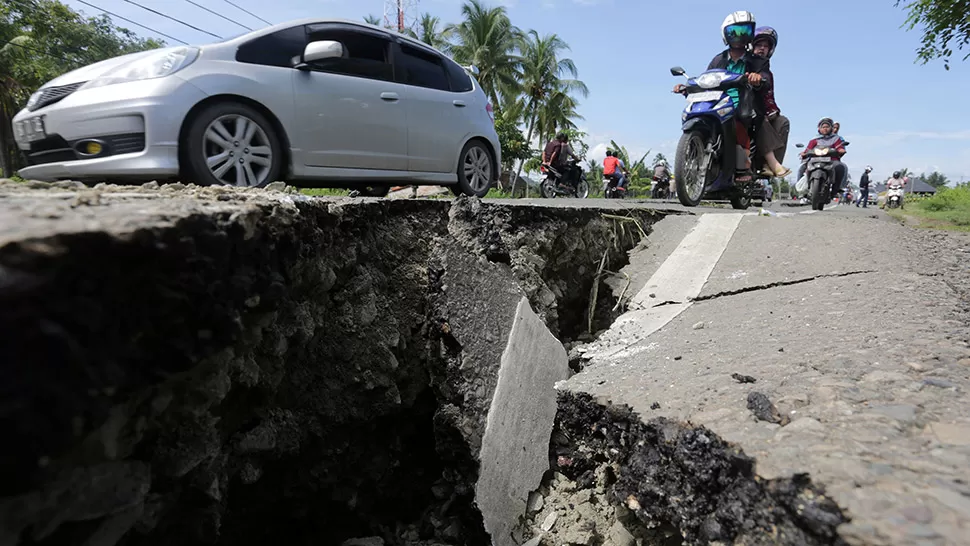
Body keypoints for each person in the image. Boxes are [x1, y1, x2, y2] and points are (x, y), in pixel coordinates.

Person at [673, 11, 768, 181]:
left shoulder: (756, 61)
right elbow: (707, 79)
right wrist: (687, 87)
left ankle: (743, 167)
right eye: (734, 32)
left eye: (744, 31)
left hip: (742, 101)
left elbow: (765, 77)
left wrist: (757, 78)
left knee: (738, 125)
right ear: (725, 35)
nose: (739, 36)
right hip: (717, 100)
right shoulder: (718, 59)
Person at [750, 26, 791, 178]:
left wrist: (759, 79)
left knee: (783, 122)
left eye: (766, 46)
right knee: (759, 119)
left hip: (764, 109)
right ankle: (772, 162)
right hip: (744, 106)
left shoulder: (764, 66)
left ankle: (768, 165)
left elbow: (765, 81)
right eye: (759, 45)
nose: (762, 49)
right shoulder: (745, 60)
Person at [798, 117, 847, 199]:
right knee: (801, 168)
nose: (825, 129)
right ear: (819, 129)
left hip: (831, 161)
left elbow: (840, 148)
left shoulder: (836, 139)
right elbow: (807, 150)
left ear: (831, 128)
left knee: (840, 167)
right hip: (814, 160)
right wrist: (804, 153)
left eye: (827, 127)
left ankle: (835, 190)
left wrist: (841, 150)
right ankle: (801, 191)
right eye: (823, 127)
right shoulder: (814, 140)